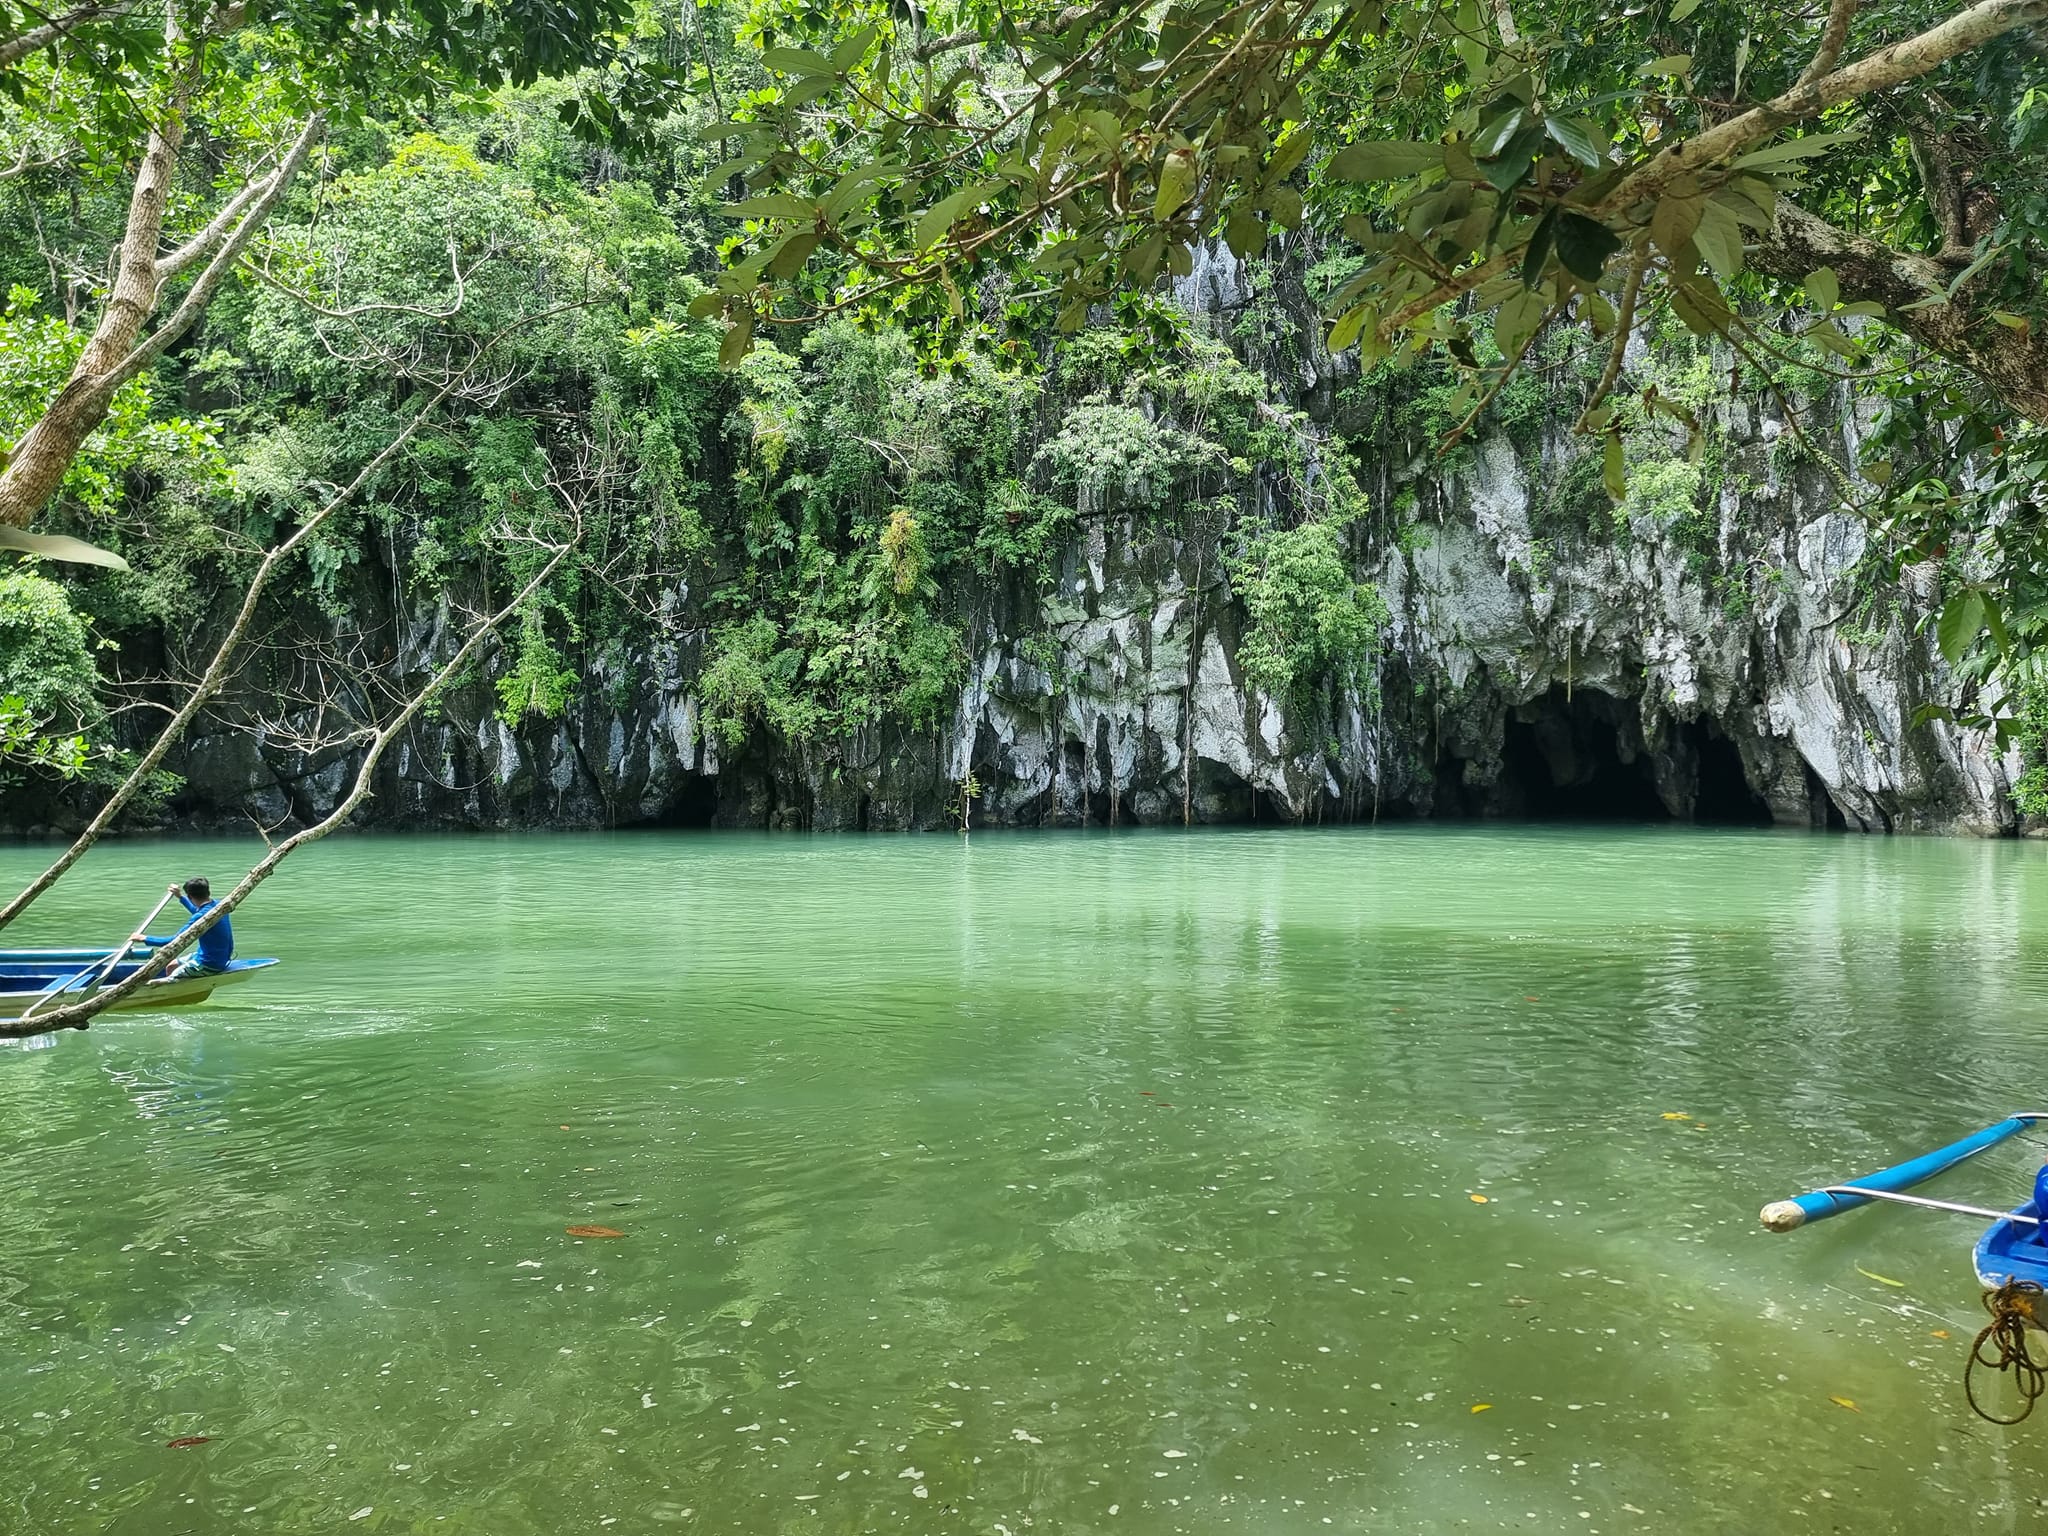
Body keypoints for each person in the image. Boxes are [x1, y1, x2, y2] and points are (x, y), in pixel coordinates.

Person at [162, 877, 233, 978]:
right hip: (217, 957)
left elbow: (174, 941)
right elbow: (199, 912)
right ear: (208, 891)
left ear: (190, 896)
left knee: (174, 975)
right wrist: (180, 897)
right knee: (171, 966)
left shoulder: (201, 916)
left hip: (209, 963)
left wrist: (143, 938)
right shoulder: (219, 906)